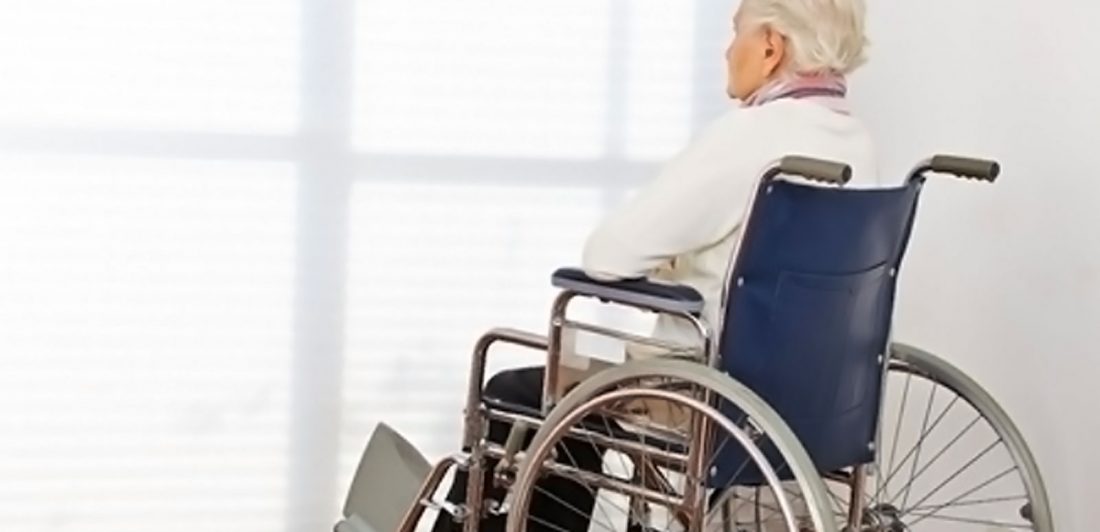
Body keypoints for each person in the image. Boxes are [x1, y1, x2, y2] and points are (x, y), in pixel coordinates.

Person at [434, 1, 877, 530]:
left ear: (770, 46)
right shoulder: (859, 143)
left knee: (516, 394)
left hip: (706, 399)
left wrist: (669, 260)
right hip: (816, 403)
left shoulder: (751, 137)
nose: (726, 50)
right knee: (572, 398)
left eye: (735, 33)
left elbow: (605, 256)